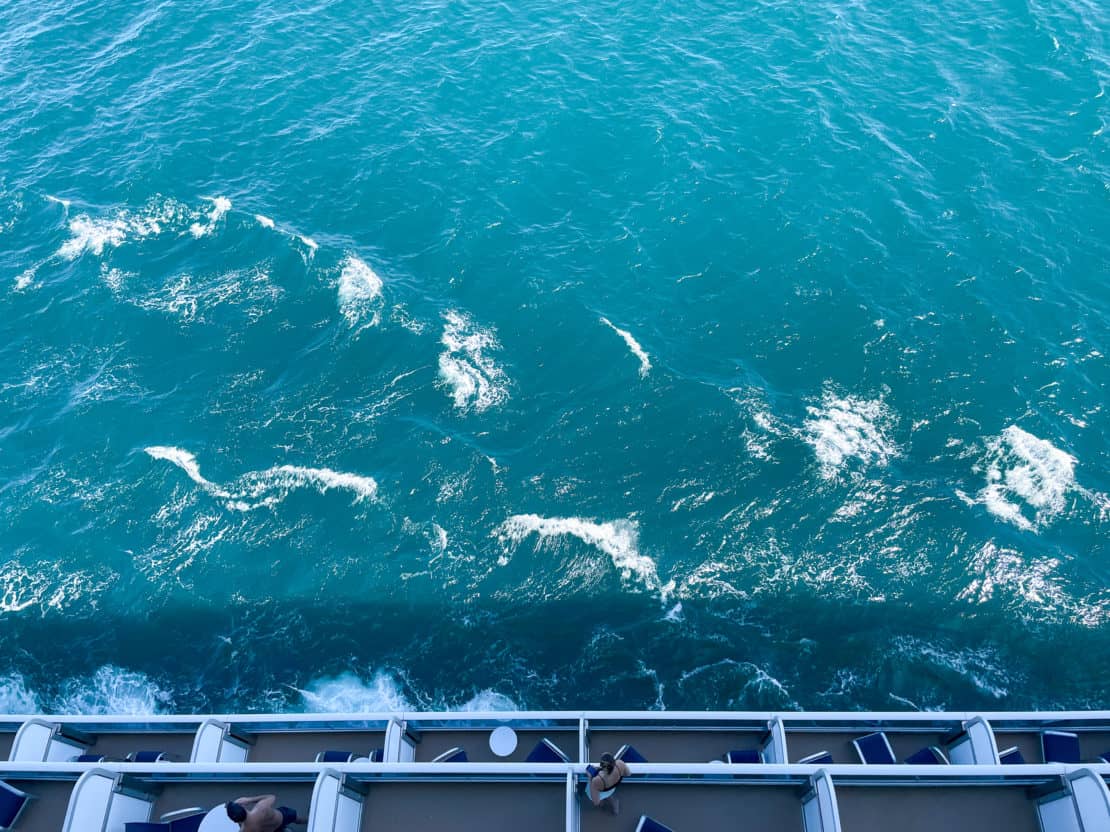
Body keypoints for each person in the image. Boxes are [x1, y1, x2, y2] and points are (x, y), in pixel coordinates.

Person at [225, 795, 306, 832]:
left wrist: (240, 822)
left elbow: (243, 823)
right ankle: (308, 820)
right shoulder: (261, 807)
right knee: (297, 819)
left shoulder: (244, 830)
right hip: (282, 817)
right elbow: (271, 797)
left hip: (272, 830)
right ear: (243, 807)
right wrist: (249, 800)